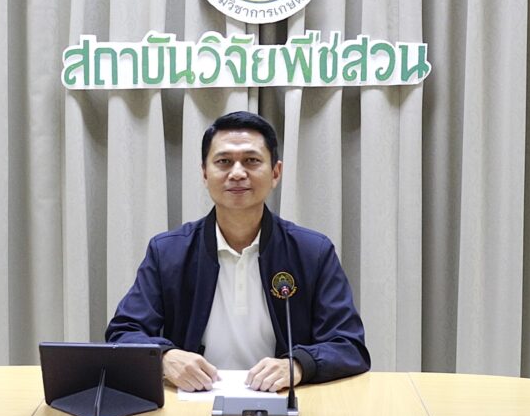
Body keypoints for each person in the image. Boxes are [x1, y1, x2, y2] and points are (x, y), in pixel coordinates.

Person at [106, 111, 370, 392]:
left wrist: (298, 365)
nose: (237, 173)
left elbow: (349, 346)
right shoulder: (168, 252)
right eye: (224, 162)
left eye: (252, 161)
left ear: (276, 173)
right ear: (205, 173)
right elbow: (122, 333)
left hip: (283, 399)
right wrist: (164, 357)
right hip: (194, 400)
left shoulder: (312, 252)